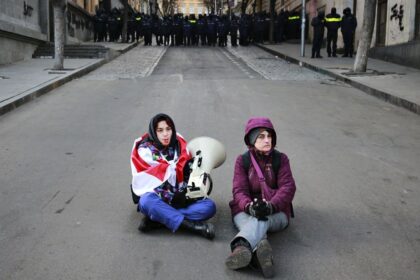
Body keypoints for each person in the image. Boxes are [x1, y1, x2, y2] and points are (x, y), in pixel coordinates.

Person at [225, 117, 296, 278]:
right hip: (244, 211)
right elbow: (239, 190)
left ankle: (241, 246)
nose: (267, 140)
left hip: (276, 212)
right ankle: (259, 256)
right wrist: (249, 206)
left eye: (269, 136)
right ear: (251, 140)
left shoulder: (281, 159)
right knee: (255, 222)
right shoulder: (242, 161)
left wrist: (271, 206)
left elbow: (288, 187)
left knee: (261, 219)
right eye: (261, 136)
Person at [130, 113, 216, 239]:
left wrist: (190, 188)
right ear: (154, 132)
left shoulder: (180, 145)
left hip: (180, 198)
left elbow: (187, 176)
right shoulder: (144, 152)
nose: (165, 134)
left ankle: (159, 219)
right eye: (160, 130)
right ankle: (193, 227)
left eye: (168, 129)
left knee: (209, 207)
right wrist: (172, 197)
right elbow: (147, 185)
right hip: (159, 198)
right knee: (146, 202)